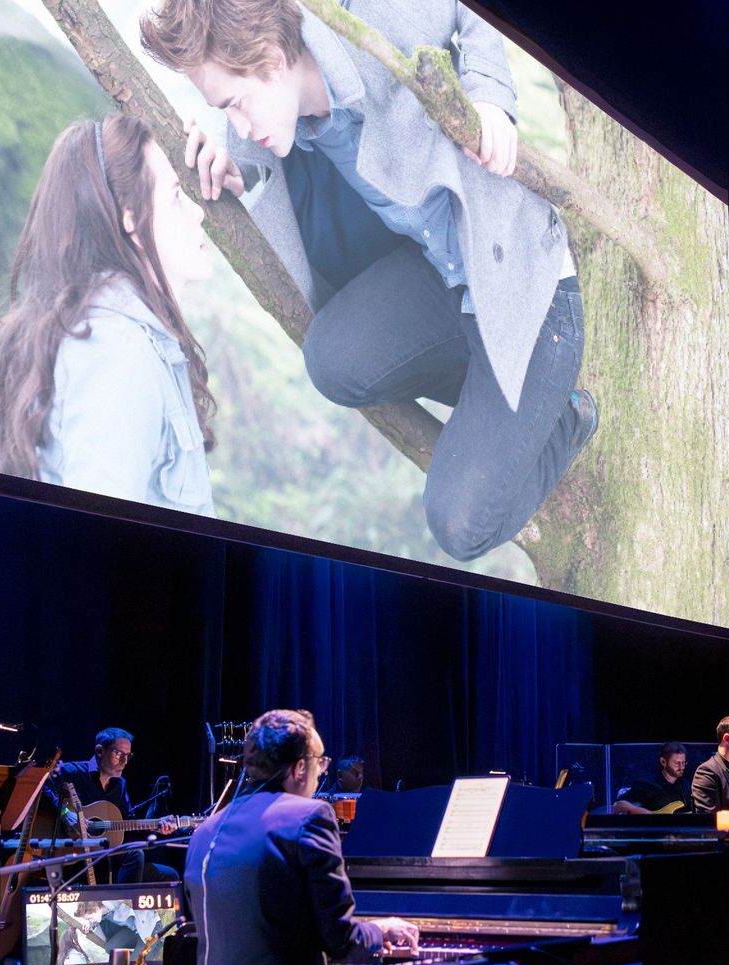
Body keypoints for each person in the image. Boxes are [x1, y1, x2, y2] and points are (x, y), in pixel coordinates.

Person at [140, 0, 596, 561]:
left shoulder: (371, 26)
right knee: (331, 360)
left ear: (273, 55)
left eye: (235, 104)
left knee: (461, 526)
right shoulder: (275, 121)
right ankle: (499, 409)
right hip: (445, 284)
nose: (238, 125)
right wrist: (227, 163)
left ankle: (565, 415)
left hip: (529, 290)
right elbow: (256, 164)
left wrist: (490, 98)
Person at [0, 114, 219, 517]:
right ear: (131, 219)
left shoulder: (126, 340)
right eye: (177, 196)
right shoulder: (119, 355)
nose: (198, 212)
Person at [181, 709, 418, 965]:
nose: (321, 773)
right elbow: (341, 940)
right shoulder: (309, 816)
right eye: (320, 762)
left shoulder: (205, 831)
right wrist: (380, 930)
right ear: (300, 768)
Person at [50, 727, 180, 883]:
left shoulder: (120, 785)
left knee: (168, 875)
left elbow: (127, 825)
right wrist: (65, 813)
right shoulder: (72, 772)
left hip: (106, 856)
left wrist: (156, 826)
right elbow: (42, 788)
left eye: (128, 756)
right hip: (73, 854)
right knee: (135, 854)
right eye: (119, 754)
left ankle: (123, 897)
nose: (125, 762)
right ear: (100, 751)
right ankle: (122, 899)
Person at [612, 741, 691, 814]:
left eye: (683, 763)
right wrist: (639, 811)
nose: (681, 767)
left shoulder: (685, 785)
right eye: (677, 763)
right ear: (663, 762)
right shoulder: (647, 784)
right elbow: (618, 804)